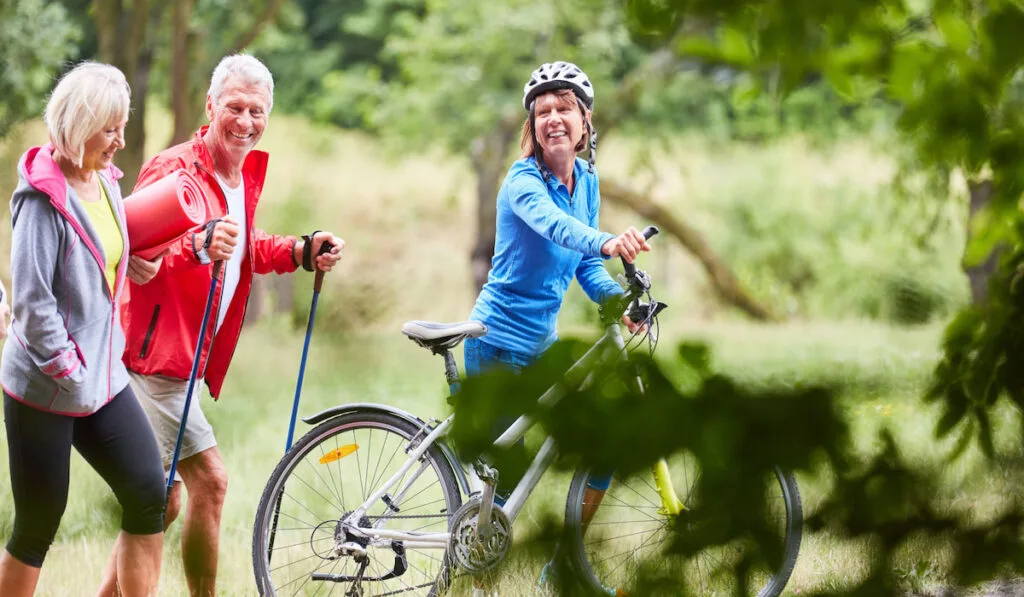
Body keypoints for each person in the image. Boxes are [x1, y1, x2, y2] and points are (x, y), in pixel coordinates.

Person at [97, 54, 344, 597]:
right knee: (199, 486)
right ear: (210, 107)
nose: (246, 121)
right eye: (234, 107)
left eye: (257, 111)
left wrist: (301, 252)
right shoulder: (175, 168)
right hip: (151, 355)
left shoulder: (239, 175)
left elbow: (241, 249)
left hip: (183, 359)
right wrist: (195, 244)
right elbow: (132, 244)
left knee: (163, 499)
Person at [464, 60, 649, 596]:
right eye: (542, 111)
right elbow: (556, 227)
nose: (553, 119)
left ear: (585, 121)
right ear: (532, 126)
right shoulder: (522, 181)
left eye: (564, 108)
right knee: (498, 489)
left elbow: (586, 264)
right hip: (494, 342)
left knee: (605, 444)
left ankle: (562, 569)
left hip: (541, 345)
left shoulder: (587, 181)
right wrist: (608, 240)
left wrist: (620, 300)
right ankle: (472, 581)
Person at [0, 62, 166, 597]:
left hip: (102, 378)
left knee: (148, 492)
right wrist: (68, 370)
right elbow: (31, 302)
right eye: (111, 128)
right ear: (79, 122)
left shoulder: (104, 181)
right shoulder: (40, 199)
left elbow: (102, 257)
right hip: (46, 388)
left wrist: (132, 264)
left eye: (123, 126)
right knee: (37, 526)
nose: (120, 141)